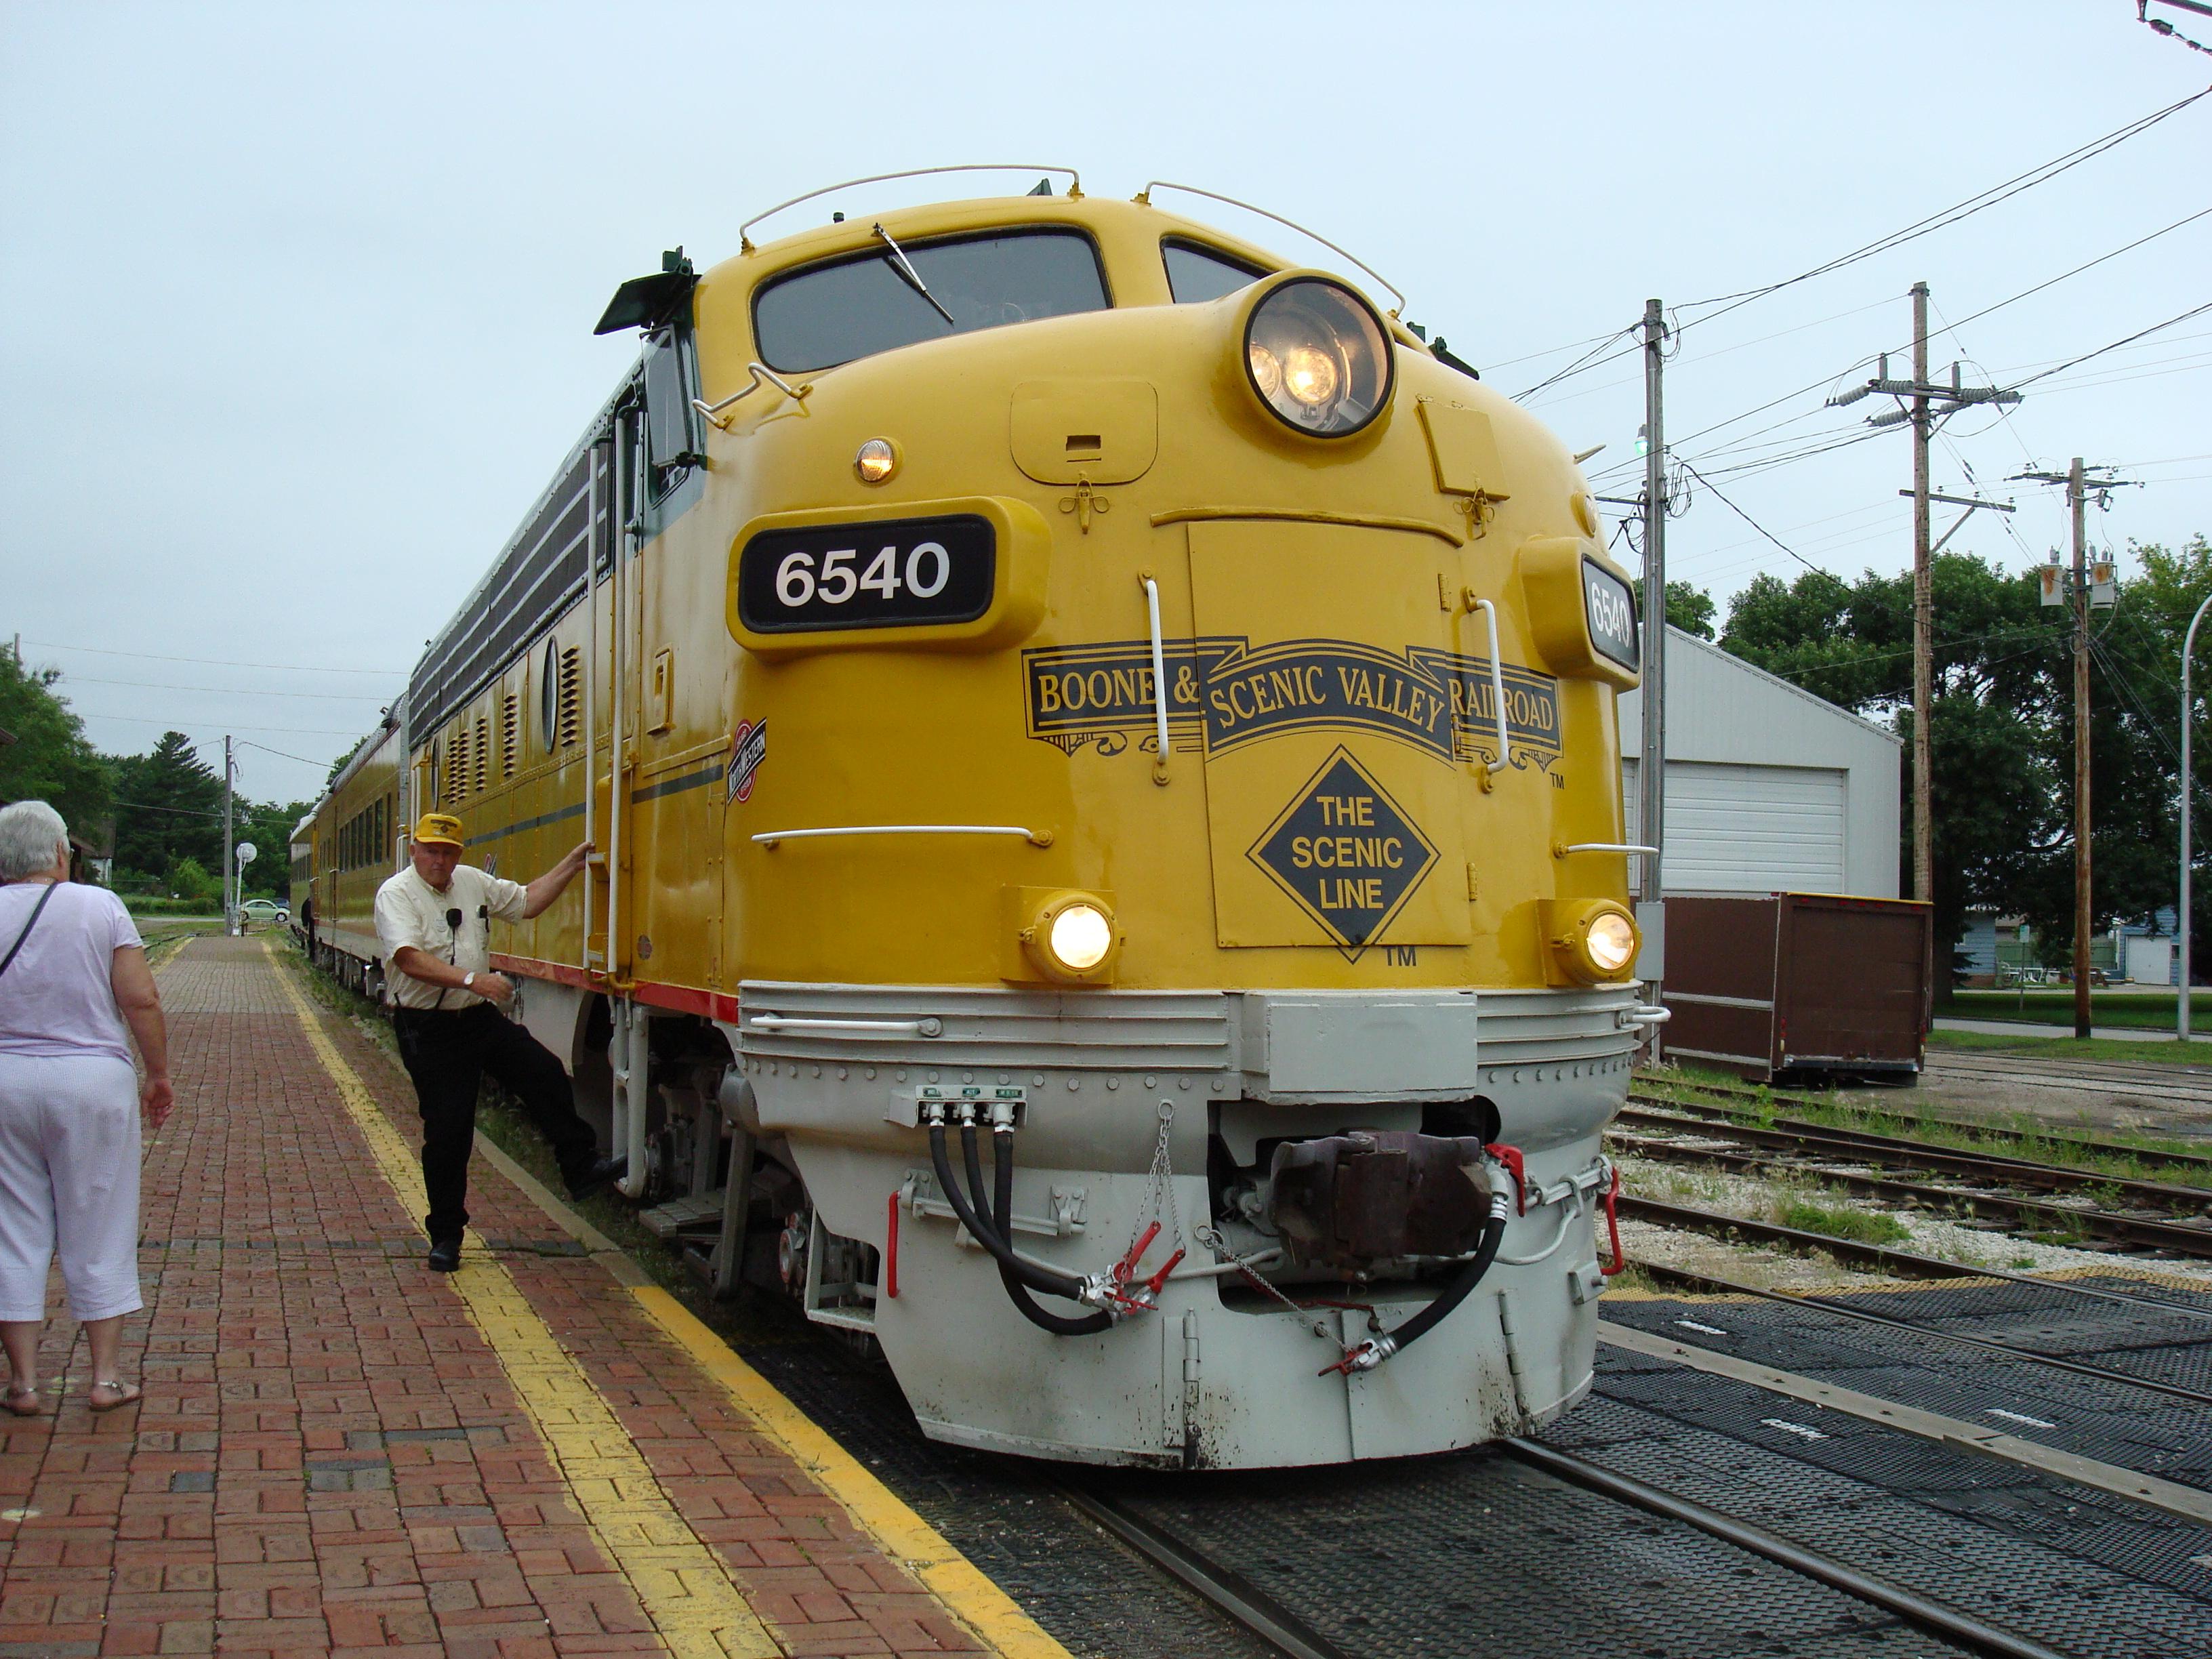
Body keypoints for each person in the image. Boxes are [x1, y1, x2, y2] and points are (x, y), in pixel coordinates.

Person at [373, 813, 622, 1271]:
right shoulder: (396, 894)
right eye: (431, 851)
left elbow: (527, 903)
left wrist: (570, 865)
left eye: (448, 852)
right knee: (449, 1132)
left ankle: (580, 1165)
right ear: (414, 850)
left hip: (476, 1019)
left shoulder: (471, 881)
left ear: (459, 854)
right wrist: (474, 979)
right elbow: (409, 959)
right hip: (427, 1027)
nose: (439, 861)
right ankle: (446, 1235)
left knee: (543, 1072)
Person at [0, 800, 172, 1416]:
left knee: (12, 1231)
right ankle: (104, 1379)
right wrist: (157, 1075)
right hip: (92, 1082)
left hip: (4, 1082)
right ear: (57, 853)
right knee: (98, 1222)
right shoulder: (100, 906)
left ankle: (22, 1385)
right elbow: (141, 999)